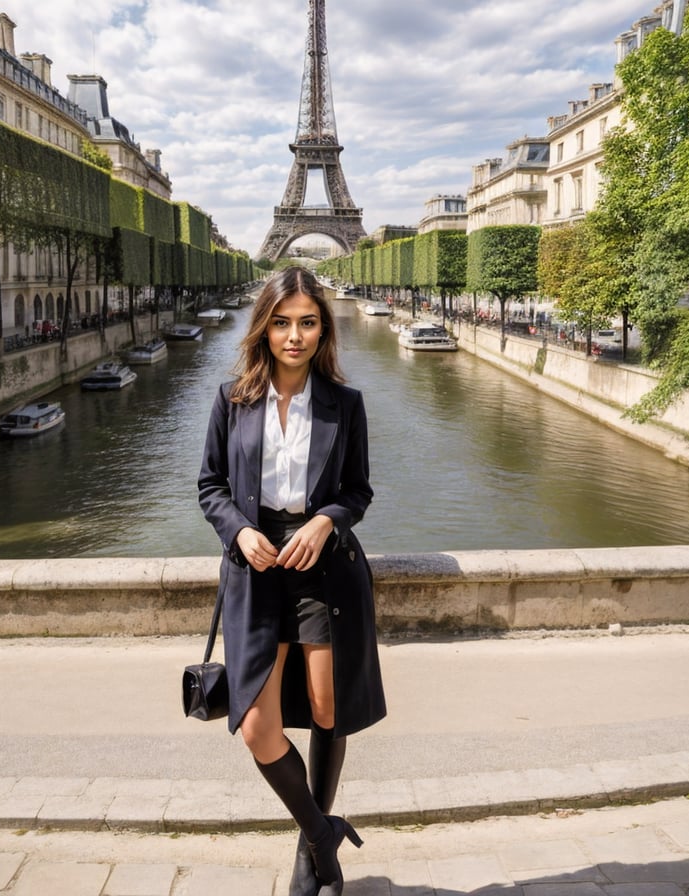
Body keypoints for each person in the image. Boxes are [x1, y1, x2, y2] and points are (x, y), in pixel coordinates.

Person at [198, 266, 386, 895]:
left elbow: (358, 492)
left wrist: (326, 521)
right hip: (255, 569)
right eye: (282, 322)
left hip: (321, 567)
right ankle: (322, 832)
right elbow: (210, 487)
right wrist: (239, 531)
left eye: (308, 322)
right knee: (256, 725)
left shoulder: (346, 404)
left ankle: (310, 857)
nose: (294, 336)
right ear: (265, 327)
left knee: (328, 710)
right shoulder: (231, 400)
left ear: (322, 330)